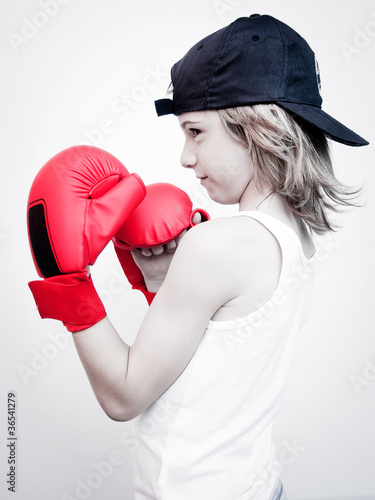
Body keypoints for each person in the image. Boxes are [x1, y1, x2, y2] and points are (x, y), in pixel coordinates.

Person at [27, 13, 368, 500]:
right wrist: (161, 284)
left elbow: (123, 396)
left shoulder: (218, 245)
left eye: (195, 131)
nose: (185, 158)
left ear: (256, 126)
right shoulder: (297, 234)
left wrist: (68, 282)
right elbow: (219, 354)